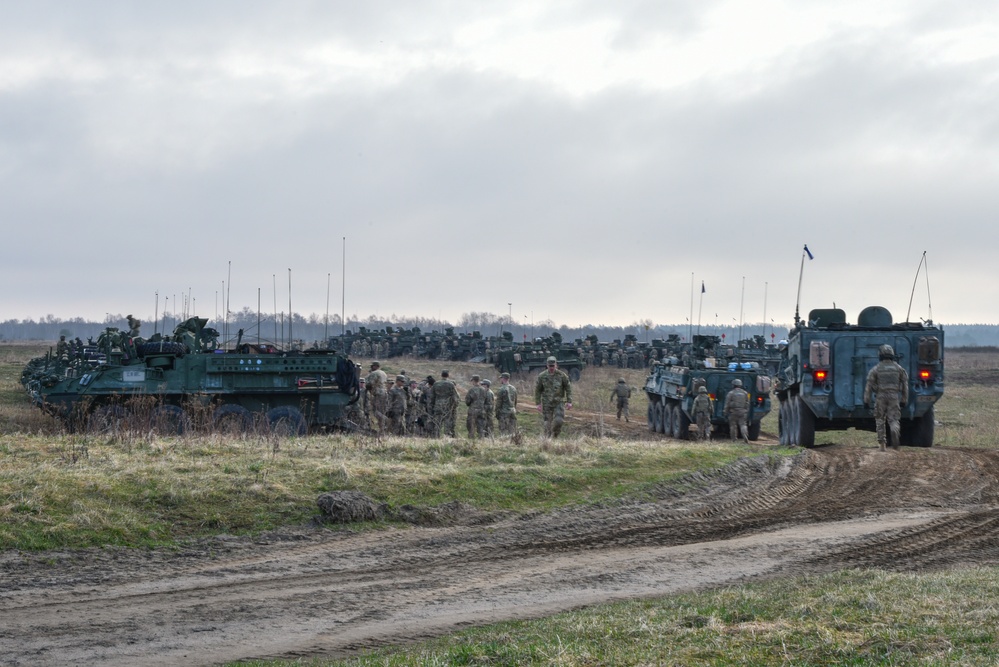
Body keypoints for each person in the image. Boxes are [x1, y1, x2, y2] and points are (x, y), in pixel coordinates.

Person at [864, 344, 909, 451]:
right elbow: (905, 385)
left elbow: (869, 386)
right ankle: (894, 429)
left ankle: (882, 444)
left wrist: (867, 400)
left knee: (880, 420)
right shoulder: (899, 368)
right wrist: (904, 399)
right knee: (893, 419)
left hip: (880, 396)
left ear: (880, 355)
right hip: (894, 396)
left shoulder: (876, 369)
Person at [534, 356, 573, 438]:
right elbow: (538, 390)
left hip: (558, 403)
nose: (551, 368)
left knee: (559, 421)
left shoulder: (562, 375)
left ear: (556, 365)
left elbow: (568, 388)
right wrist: (538, 403)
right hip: (547, 403)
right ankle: (547, 441)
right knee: (547, 424)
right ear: (547, 365)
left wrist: (569, 401)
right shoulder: (542, 376)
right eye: (550, 366)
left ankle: (555, 436)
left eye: (553, 366)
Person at [430, 369, 460, 437]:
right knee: (447, 424)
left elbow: (431, 397)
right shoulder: (451, 384)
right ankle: (446, 437)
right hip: (447, 406)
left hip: (437, 405)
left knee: (437, 423)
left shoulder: (436, 384)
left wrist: (431, 406)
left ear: (441, 375)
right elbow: (455, 397)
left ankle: (436, 437)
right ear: (448, 375)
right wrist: (454, 406)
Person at [723, 378, 750, 443]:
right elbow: (747, 403)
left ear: (733, 385)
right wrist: (746, 411)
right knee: (743, 425)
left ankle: (734, 439)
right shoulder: (745, 393)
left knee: (733, 426)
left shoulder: (731, 393)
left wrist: (725, 412)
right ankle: (745, 436)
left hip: (733, 412)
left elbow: (727, 403)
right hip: (743, 411)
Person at [365, 361, 389, 435]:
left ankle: (387, 420)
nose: (371, 368)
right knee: (381, 411)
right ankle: (382, 430)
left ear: (375, 366)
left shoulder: (374, 373)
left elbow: (369, 383)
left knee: (375, 411)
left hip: (377, 394)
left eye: (372, 366)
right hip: (384, 394)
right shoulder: (384, 373)